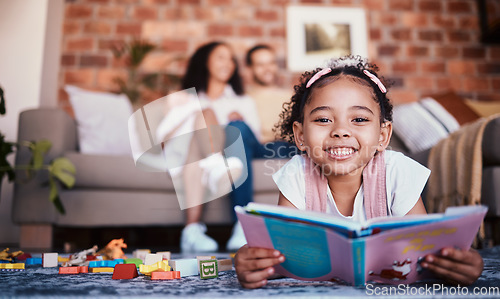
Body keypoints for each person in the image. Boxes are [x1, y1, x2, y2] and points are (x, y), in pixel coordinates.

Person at [234, 56, 484, 288]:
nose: (341, 131)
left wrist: (456, 262)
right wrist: (256, 262)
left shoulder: (396, 170)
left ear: (383, 136)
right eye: (323, 120)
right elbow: (283, 255)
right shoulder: (296, 173)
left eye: (359, 120)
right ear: (300, 136)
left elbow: (425, 251)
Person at [157, 41, 261, 253]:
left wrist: (238, 122)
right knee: (200, 123)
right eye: (221, 57)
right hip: (201, 154)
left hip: (237, 148)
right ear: (205, 62)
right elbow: (165, 138)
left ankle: (224, 226)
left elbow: (255, 138)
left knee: (233, 126)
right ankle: (192, 230)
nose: (228, 63)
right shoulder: (187, 99)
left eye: (231, 59)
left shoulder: (242, 100)